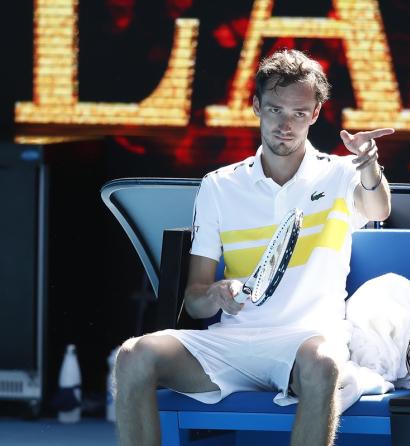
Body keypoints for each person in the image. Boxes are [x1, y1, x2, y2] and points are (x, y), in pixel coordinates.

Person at [114, 48, 394, 446]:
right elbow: (194, 303)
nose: (286, 124)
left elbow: (377, 206)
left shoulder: (341, 174)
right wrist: (215, 293)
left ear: (314, 115)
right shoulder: (218, 185)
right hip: (232, 346)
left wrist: (368, 165)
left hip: (306, 343)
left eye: (299, 113)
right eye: (276, 109)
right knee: (132, 356)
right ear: (256, 106)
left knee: (325, 362)